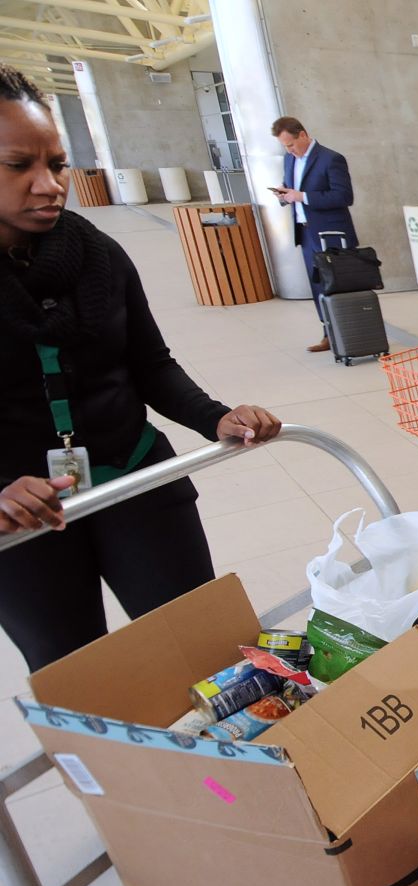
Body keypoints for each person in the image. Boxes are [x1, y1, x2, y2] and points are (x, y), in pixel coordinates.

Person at [0, 65, 281, 672]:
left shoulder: (97, 255)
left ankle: (232, 769)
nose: (49, 185)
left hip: (135, 477)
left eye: (57, 163)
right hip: (23, 521)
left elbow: (150, 365)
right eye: (18, 166)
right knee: (78, 673)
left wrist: (217, 418)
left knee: (211, 650)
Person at [269, 116, 357, 354]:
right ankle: (329, 333)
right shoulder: (289, 160)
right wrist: (284, 195)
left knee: (340, 285)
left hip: (332, 235)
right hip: (306, 233)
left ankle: (351, 334)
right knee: (318, 285)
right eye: (284, 146)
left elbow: (344, 197)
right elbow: (291, 187)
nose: (288, 150)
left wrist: (303, 196)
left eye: (290, 144)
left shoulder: (331, 159)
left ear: (303, 135)